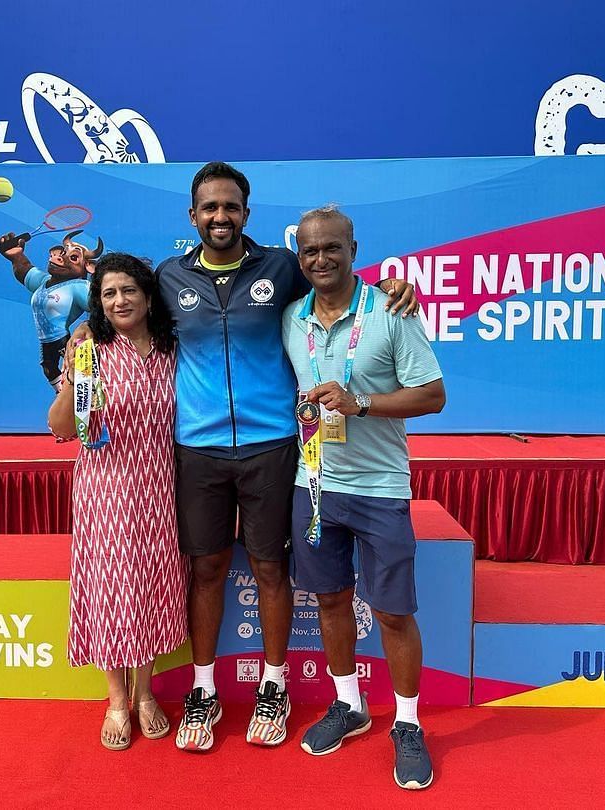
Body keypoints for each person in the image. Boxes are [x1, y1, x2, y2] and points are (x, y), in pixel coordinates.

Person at [143, 162, 417, 751]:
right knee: (207, 569)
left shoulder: (281, 267)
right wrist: (87, 334)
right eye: (209, 208)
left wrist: (394, 288)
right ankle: (204, 688)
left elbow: (337, 285)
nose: (221, 217)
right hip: (198, 449)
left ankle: (273, 684)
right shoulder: (168, 277)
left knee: (271, 569)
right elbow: (125, 317)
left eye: (231, 207)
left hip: (274, 447)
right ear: (192, 217)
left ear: (247, 213)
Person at [282, 206, 445, 790]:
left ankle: (406, 723)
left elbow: (433, 396)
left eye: (332, 248)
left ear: (354, 248)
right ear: (298, 257)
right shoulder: (291, 317)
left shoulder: (390, 312)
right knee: (329, 601)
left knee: (394, 613)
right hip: (315, 485)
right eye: (309, 251)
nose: (320, 259)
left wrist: (363, 403)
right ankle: (348, 705)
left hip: (379, 489)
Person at [47, 252, 187, 751]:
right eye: (108, 293)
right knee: (111, 591)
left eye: (128, 290)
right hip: (105, 491)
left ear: (148, 297)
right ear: (98, 304)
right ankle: (114, 699)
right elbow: (64, 429)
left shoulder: (173, 349)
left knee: (147, 589)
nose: (120, 300)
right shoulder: (90, 353)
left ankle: (145, 693)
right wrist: (76, 378)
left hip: (161, 490)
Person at [0, 230, 103, 391]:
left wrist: (89, 328)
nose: (60, 257)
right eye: (63, 252)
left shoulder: (79, 287)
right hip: (47, 340)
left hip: (65, 340)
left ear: (88, 267)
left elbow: (105, 309)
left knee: (78, 371)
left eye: (73, 258)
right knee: (49, 368)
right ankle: (64, 396)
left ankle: (94, 395)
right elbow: (24, 269)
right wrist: (17, 256)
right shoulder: (43, 282)